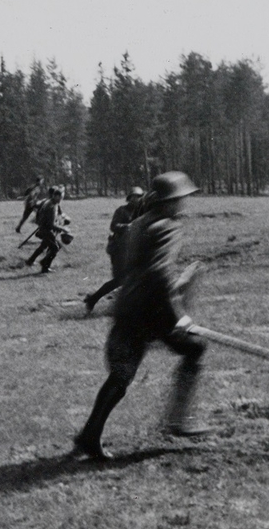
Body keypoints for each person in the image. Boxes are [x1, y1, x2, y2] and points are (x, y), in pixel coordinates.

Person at [73, 171, 211, 461]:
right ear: (171, 201)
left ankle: (89, 436)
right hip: (154, 310)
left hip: (128, 309)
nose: (184, 203)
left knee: (121, 375)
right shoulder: (168, 226)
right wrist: (178, 316)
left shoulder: (139, 223)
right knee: (195, 348)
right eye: (182, 198)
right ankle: (178, 420)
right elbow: (159, 273)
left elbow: (132, 268)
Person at [84, 186, 145, 312]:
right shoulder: (122, 211)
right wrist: (127, 227)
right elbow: (113, 226)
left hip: (134, 249)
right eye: (135, 197)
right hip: (119, 249)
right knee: (120, 280)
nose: (137, 199)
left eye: (139, 197)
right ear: (129, 198)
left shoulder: (142, 212)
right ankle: (93, 299)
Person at [26, 185, 69, 273]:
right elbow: (51, 224)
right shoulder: (52, 206)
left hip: (43, 229)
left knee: (45, 245)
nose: (61, 199)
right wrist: (63, 229)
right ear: (56, 196)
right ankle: (44, 266)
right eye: (61, 197)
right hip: (46, 230)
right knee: (55, 248)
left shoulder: (50, 203)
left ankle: (32, 261)